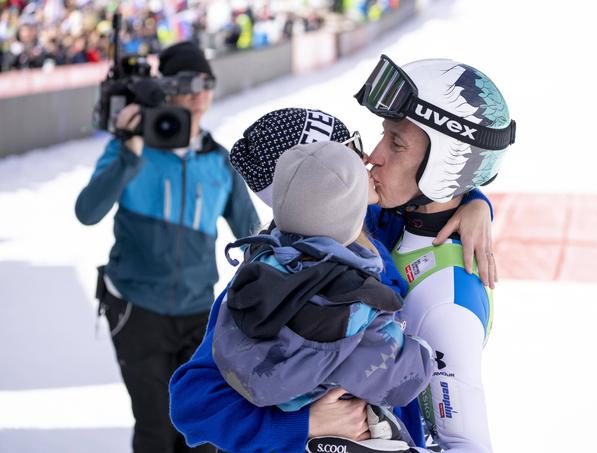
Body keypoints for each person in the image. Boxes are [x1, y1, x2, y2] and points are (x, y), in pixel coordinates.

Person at [168, 105, 500, 452]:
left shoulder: (372, 228)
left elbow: (424, 197)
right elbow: (191, 400)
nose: (370, 159)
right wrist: (303, 424)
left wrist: (475, 202)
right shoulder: (263, 288)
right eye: (350, 156)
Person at [75, 41, 260, 453]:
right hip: (137, 312)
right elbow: (87, 212)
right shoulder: (129, 149)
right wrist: (128, 151)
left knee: (203, 431)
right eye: (186, 82)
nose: (198, 93)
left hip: (198, 315)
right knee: (156, 429)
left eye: (206, 82)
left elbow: (252, 233)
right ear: (166, 89)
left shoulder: (218, 159)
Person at [214, 141, 435, 450]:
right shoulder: (351, 299)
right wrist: (423, 354)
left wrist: (474, 203)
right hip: (336, 431)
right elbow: (396, 378)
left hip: (268, 402)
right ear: (353, 217)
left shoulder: (255, 271)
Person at [351, 55, 517, 453]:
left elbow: (468, 446)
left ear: (444, 169)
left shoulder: (447, 305)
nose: (373, 155)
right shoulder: (389, 218)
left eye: (396, 144)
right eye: (383, 135)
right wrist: (476, 199)